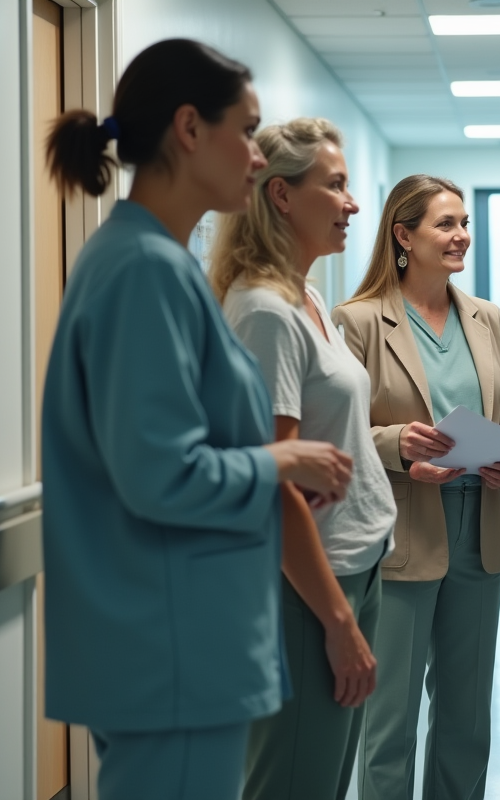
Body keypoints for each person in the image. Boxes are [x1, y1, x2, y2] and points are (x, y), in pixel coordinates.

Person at [42, 40, 354, 800]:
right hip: (171, 648)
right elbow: (160, 473)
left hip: (173, 639)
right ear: (189, 128)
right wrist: (283, 462)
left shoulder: (152, 259)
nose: (256, 157)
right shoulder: (144, 271)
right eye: (245, 132)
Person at [209, 118, 396, 800]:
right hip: (308, 587)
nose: (352, 203)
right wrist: (338, 624)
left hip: (354, 562)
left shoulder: (309, 297)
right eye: (337, 185)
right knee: (293, 778)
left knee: (321, 771)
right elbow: (270, 480)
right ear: (282, 197)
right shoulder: (266, 313)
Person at [332, 174, 500, 800]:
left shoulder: (485, 318)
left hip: (482, 528)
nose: (461, 237)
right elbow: (332, 435)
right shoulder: (358, 322)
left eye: (465, 224)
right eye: (445, 225)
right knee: (388, 722)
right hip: (400, 535)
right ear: (403, 235)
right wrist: (397, 446)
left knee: (467, 718)